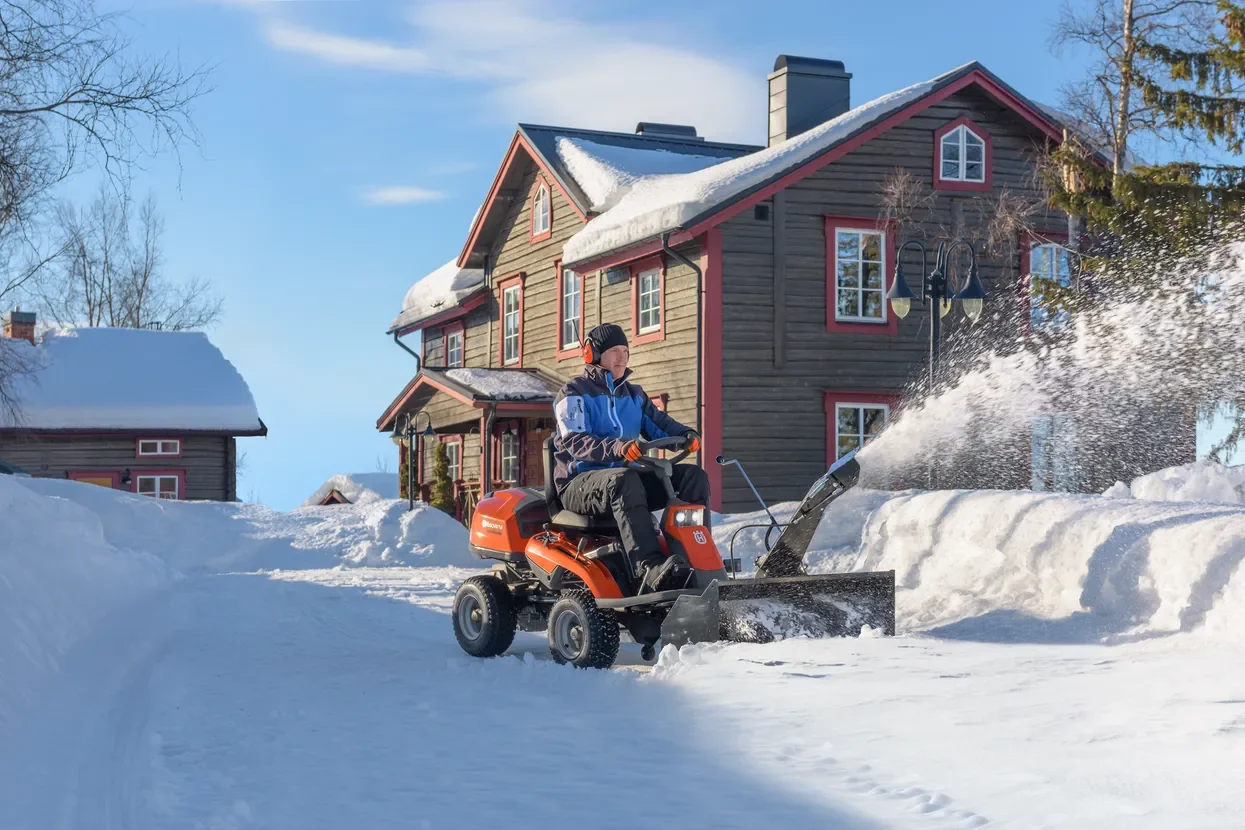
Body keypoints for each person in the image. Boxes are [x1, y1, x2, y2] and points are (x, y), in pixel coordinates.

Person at [552, 323, 709, 593]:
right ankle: (649, 567)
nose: (622, 357)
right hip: (578, 483)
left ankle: (698, 559)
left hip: (623, 482)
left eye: (625, 350)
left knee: (693, 477)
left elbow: (660, 424)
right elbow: (574, 442)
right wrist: (618, 448)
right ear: (592, 354)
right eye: (614, 351)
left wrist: (686, 434)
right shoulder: (573, 393)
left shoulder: (634, 395)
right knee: (625, 480)